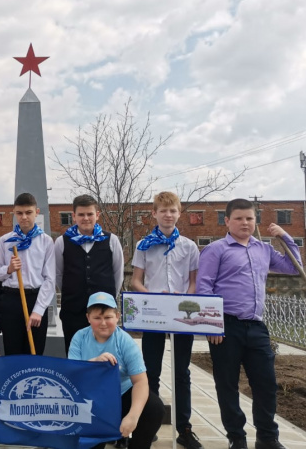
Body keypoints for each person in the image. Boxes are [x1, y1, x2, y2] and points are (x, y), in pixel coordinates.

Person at [197, 199, 300, 449]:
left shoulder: (263, 249)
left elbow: (294, 268)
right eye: (239, 218)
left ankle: (267, 437)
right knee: (227, 385)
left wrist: (284, 236)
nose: (245, 223)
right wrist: (212, 325)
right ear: (227, 221)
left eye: (250, 218)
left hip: (256, 327)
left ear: (256, 221)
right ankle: (236, 437)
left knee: (266, 383)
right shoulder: (216, 249)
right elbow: (204, 287)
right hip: (226, 326)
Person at [130, 191, 202, 449]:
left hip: (182, 315)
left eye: (173, 211)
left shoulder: (189, 246)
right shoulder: (144, 245)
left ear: (179, 213)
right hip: (155, 315)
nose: (168, 215)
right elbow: (136, 281)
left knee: (181, 372)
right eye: (163, 211)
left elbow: (193, 282)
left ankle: (184, 428)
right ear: (154, 213)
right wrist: (152, 297)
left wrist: (184, 301)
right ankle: (150, 424)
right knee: (151, 371)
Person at [69, 292, 164, 449]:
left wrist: (133, 416)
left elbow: (140, 381)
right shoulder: (79, 338)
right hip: (91, 398)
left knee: (154, 408)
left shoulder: (125, 341)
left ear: (117, 316)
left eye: (108, 317)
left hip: (121, 394)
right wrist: (94, 362)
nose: (103, 323)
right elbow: (73, 374)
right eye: (97, 318)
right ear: (88, 318)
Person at [55, 194, 124, 353]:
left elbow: (118, 273)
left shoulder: (111, 240)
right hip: (73, 311)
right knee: (75, 353)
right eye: (81, 214)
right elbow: (58, 274)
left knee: (105, 354)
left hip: (103, 311)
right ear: (74, 216)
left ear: (97, 215)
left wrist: (108, 299)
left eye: (89, 214)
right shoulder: (62, 242)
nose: (85, 218)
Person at [0, 192, 55, 356]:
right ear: (14, 213)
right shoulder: (5, 240)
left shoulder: (46, 241)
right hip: (11, 300)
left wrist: (39, 310)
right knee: (12, 351)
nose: (24, 217)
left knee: (35, 352)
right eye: (19, 213)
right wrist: (8, 269)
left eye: (28, 212)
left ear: (37, 212)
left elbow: (50, 279)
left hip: (35, 299)